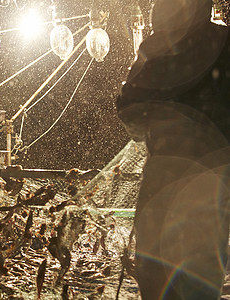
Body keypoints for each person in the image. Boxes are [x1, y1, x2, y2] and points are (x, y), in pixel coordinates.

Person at [117, 0, 230, 299]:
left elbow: (129, 107)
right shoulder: (224, 41)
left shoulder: (158, 47)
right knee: (201, 272)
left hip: (166, 174)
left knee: (155, 269)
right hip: (215, 177)